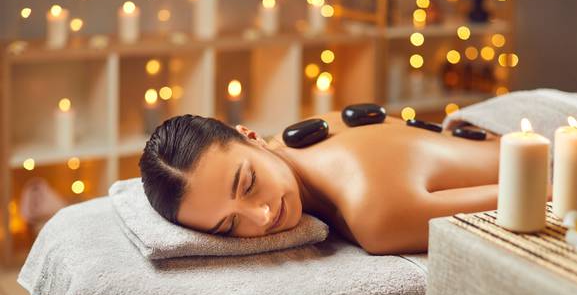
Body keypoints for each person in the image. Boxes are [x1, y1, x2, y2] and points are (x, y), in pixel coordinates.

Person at [139, 111, 501, 254]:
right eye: (229, 225)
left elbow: (533, 194)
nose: (262, 216)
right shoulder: (289, 140)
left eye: (248, 184)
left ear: (251, 136)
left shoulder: (374, 215)